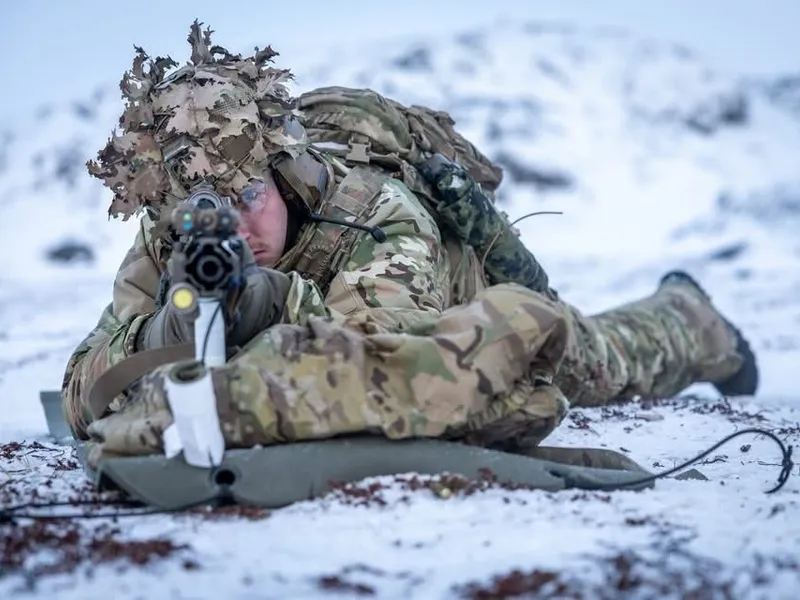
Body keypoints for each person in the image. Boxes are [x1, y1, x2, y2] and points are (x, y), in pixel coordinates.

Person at [61, 22, 757, 467]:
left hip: (463, 310)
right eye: (201, 214)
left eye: (248, 199)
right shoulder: (173, 240)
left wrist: (267, 301)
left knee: (603, 365)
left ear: (282, 171)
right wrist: (166, 331)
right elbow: (79, 391)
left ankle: (695, 319)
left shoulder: (374, 214)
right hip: (340, 342)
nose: (234, 232)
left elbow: (389, 365)